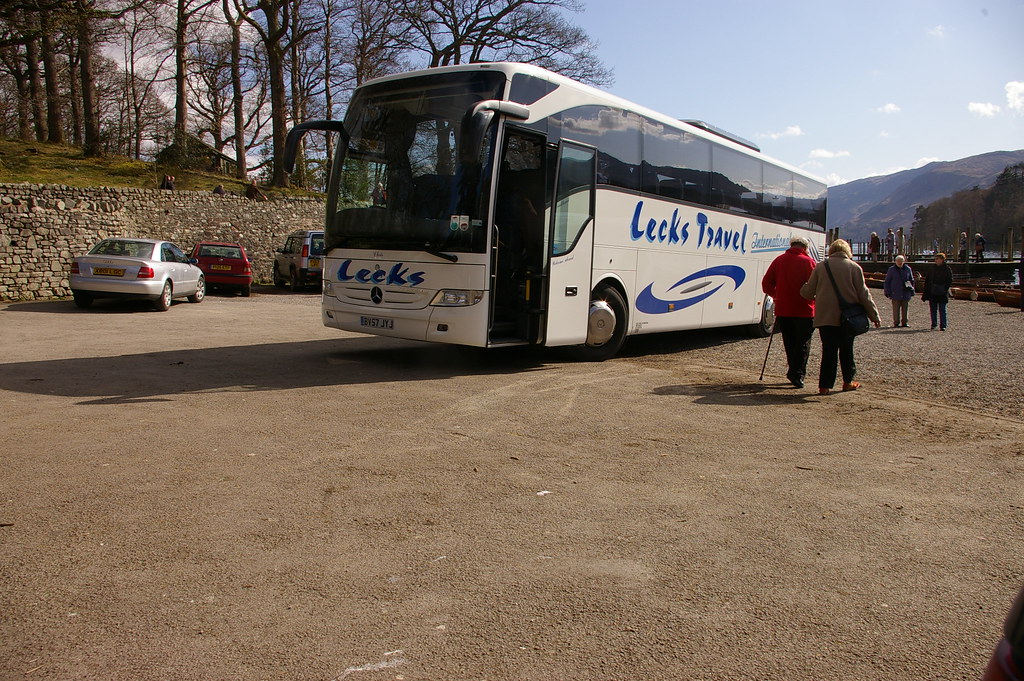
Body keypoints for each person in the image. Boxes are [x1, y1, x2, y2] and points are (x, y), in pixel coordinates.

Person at [800, 239, 881, 395]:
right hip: (847, 318)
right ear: (847, 252)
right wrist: (874, 315)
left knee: (828, 351)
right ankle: (847, 382)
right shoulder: (854, 268)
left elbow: (808, 293)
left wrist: (803, 287)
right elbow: (864, 295)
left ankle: (824, 386)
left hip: (825, 318)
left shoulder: (821, 267)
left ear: (831, 251)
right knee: (846, 350)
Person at [761, 235, 817, 388]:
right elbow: (816, 285)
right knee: (803, 343)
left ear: (791, 245)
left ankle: (794, 370)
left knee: (790, 342)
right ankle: (796, 373)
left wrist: (776, 295)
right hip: (805, 309)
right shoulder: (809, 262)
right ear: (805, 248)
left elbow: (766, 284)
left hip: (784, 309)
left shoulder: (779, 260)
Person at [922, 252, 954, 330]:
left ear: (942, 259)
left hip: (942, 292)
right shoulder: (932, 268)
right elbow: (928, 280)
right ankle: (934, 324)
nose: (936, 260)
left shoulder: (947, 269)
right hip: (933, 291)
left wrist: (944, 289)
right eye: (935, 259)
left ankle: (943, 325)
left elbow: (949, 280)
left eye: (937, 259)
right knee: (933, 309)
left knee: (942, 309)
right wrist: (926, 292)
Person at [883, 254, 915, 327]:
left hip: (905, 292)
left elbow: (911, 280)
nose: (899, 263)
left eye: (901, 261)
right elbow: (887, 281)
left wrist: (912, 290)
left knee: (905, 308)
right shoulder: (891, 269)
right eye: (898, 261)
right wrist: (887, 292)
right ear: (895, 262)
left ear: (904, 261)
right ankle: (896, 322)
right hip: (895, 292)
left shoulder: (908, 269)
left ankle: (905, 322)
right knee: (896, 309)